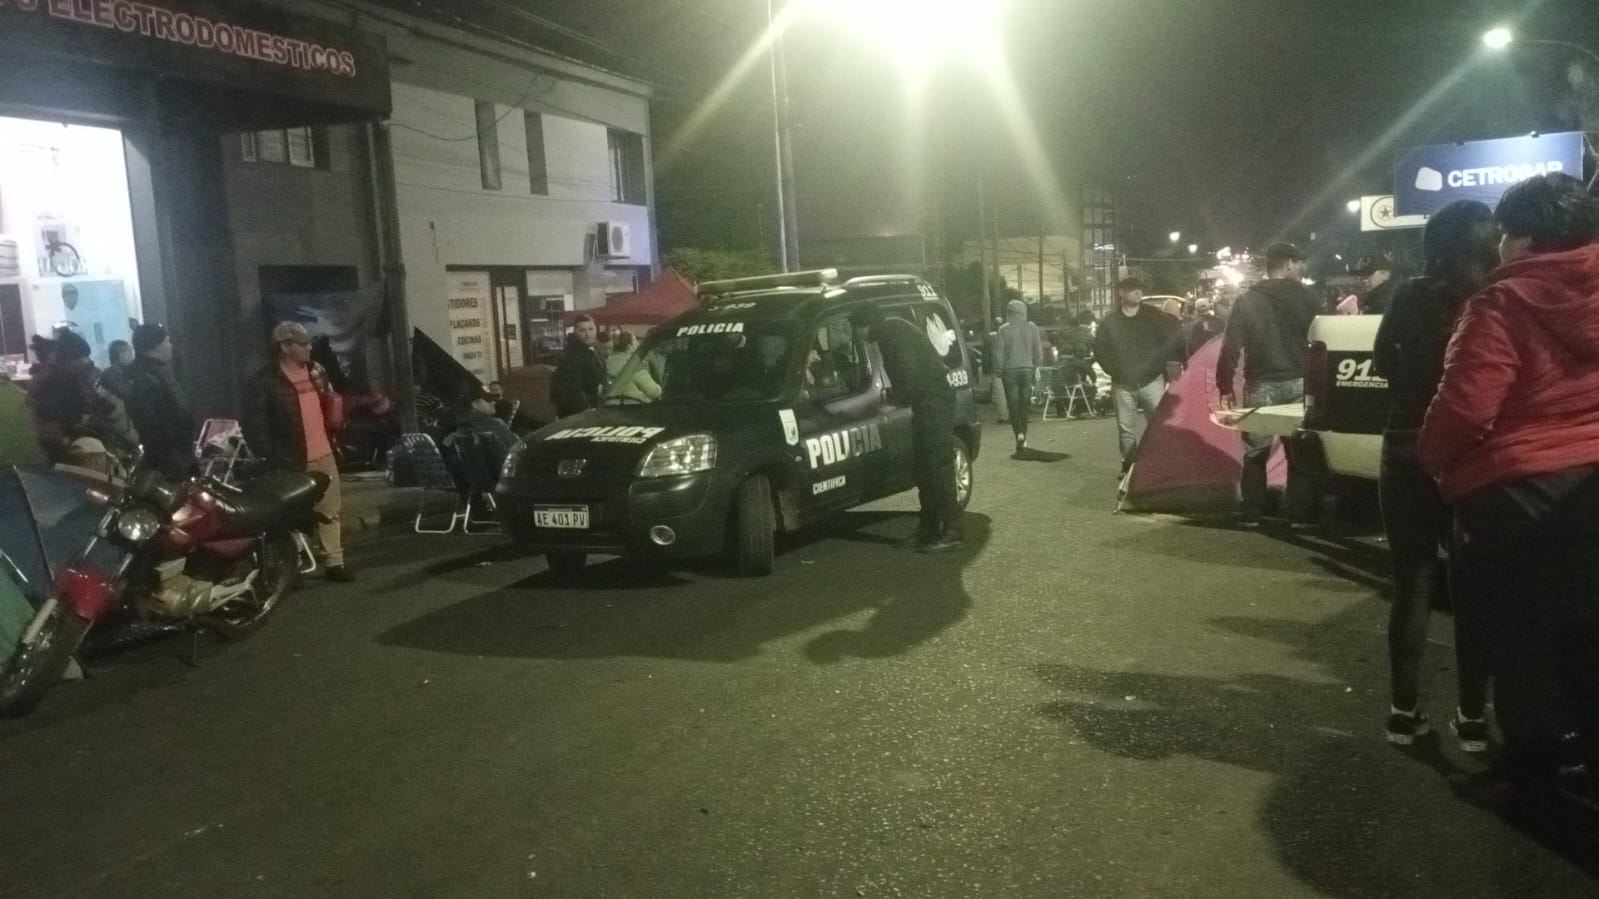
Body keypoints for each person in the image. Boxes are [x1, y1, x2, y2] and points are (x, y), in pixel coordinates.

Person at [1419, 173, 1599, 808]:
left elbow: (1466, 408)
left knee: (1524, 637)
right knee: (1588, 632)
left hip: (1520, 492)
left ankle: (1531, 775)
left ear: (1522, 237)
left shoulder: (1504, 301)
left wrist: (1433, 462)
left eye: (1503, 234)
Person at [1370, 200, 1497, 752]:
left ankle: (1403, 712)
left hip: (1404, 446)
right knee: (1474, 590)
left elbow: (1382, 360)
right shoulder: (1492, 298)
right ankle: (1471, 718)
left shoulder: (1408, 294)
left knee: (1412, 585)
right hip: (1473, 454)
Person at [241, 321, 353, 583]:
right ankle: (294, 567)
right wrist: (270, 456)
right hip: (289, 459)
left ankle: (335, 562)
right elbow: (254, 424)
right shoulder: (265, 381)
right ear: (285, 346)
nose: (310, 348)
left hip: (324, 453)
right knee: (289, 518)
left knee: (330, 510)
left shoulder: (317, 371)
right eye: (303, 344)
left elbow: (331, 402)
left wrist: (337, 428)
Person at [1217, 243, 1321, 525]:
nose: (1302, 268)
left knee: (1255, 452)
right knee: (1298, 450)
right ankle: (1299, 515)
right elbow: (1322, 341)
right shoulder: (1308, 298)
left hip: (1260, 383)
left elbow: (1231, 346)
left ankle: (1252, 513)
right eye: (1299, 262)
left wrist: (1224, 384)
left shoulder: (1248, 299)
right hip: (1299, 381)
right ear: (1287, 264)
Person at [850, 303, 961, 552]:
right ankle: (929, 528)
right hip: (929, 402)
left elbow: (908, 374)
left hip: (934, 402)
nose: (858, 335)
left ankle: (950, 530)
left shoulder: (892, 336)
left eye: (858, 329)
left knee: (936, 466)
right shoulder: (894, 330)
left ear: (866, 325)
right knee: (923, 466)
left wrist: (896, 401)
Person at [1093, 278, 1183, 476]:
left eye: (1140, 289)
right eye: (1133, 290)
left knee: (1159, 425)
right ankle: (1129, 467)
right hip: (1122, 384)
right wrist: (1114, 371)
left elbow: (1170, 343)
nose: (1138, 293)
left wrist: (1164, 370)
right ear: (1122, 293)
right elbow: (1100, 349)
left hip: (1152, 381)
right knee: (1125, 430)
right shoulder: (1110, 322)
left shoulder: (1154, 317)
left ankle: (1160, 466)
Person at [122, 323, 196, 479]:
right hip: (169, 462)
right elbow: (153, 426)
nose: (171, 345)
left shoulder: (153, 374)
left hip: (174, 456)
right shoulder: (146, 380)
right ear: (154, 346)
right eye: (167, 341)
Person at [28, 329, 100, 463]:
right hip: (62, 439)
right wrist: (80, 418)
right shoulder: (55, 379)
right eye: (82, 357)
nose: (86, 361)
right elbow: (51, 410)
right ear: (69, 358)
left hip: (63, 437)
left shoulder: (62, 375)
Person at [995, 299, 1044, 453]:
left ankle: (1019, 434)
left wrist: (998, 370)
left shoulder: (1003, 329)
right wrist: (1037, 366)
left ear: (1009, 311)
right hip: (1027, 370)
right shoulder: (1032, 327)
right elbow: (1038, 349)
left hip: (1009, 372)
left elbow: (999, 354)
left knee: (1013, 405)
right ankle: (1025, 437)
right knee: (1024, 405)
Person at [551, 314, 606, 419]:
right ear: (576, 332)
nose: (587, 334)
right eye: (582, 330)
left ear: (596, 329)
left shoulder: (593, 350)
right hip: (581, 412)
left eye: (590, 329)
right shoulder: (573, 354)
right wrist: (586, 411)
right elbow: (573, 388)